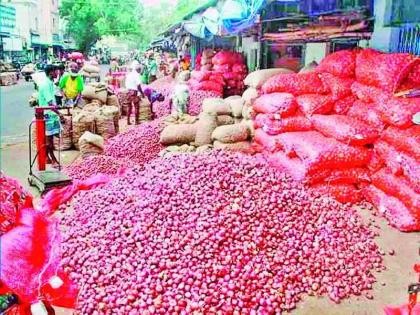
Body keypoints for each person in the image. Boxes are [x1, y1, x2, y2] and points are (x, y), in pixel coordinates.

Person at [37, 64, 64, 167]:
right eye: (55, 71)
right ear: (50, 72)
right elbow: (50, 103)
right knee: (49, 139)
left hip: (50, 114)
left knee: (50, 138)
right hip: (47, 115)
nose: (57, 73)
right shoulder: (45, 85)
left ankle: (47, 157)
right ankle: (53, 160)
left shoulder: (50, 83)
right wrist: (59, 113)